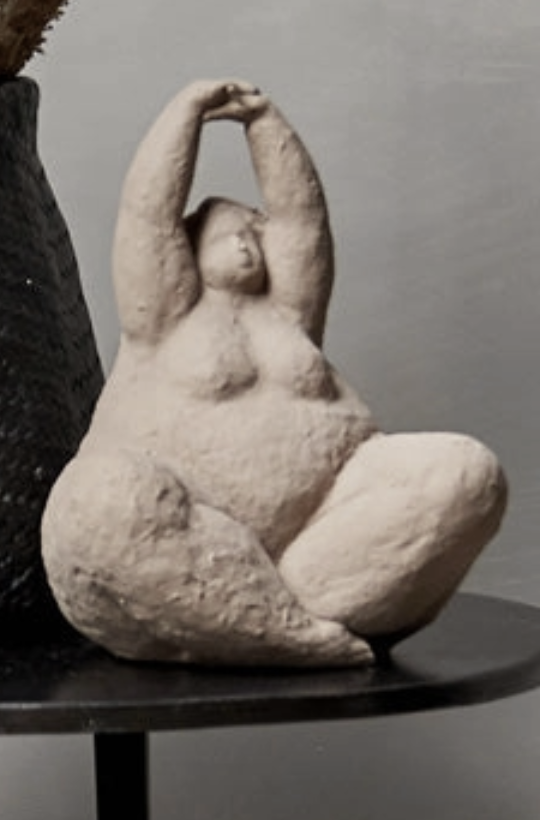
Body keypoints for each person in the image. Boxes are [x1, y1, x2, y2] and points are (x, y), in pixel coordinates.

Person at [41, 80, 507, 667]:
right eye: (230, 234)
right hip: (172, 561)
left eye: (253, 233)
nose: (248, 243)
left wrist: (264, 122)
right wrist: (186, 115)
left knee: (467, 474)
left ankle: (278, 623)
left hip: (316, 556)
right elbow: (147, 216)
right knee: (102, 502)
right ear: (187, 250)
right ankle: (290, 635)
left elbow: (301, 219)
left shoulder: (288, 319)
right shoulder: (162, 322)